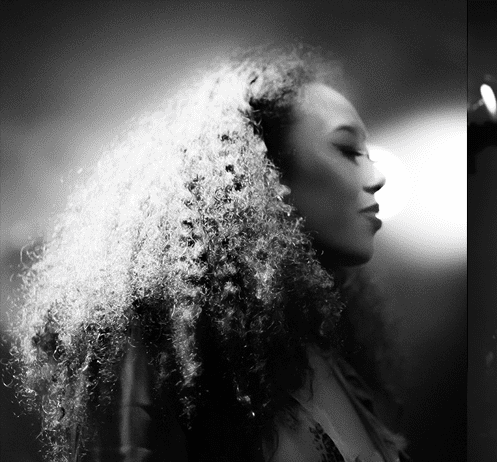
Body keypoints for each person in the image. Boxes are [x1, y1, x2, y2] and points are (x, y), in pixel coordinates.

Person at [5, 45, 409, 461]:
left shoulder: (326, 354)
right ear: (268, 170)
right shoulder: (156, 342)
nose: (377, 176)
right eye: (347, 149)